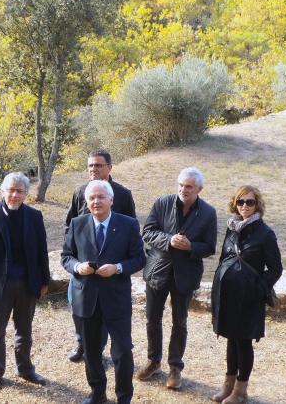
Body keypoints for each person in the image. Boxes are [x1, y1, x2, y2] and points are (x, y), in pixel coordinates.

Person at [61, 180, 145, 404]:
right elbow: (66, 257)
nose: (96, 201)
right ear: (87, 202)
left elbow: (139, 258)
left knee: (123, 351)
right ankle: (97, 393)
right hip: (86, 298)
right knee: (91, 352)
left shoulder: (127, 224)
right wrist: (78, 267)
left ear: (111, 200)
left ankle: (123, 397)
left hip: (116, 299)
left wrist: (118, 268)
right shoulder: (78, 224)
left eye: (100, 197)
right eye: (92, 198)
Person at [137, 167, 217, 390]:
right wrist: (169, 240)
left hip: (186, 274)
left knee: (179, 322)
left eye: (189, 186)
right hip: (158, 270)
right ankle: (153, 361)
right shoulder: (162, 202)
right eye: (180, 185)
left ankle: (175, 368)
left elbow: (210, 247)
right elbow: (148, 232)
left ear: (199, 189)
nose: (183, 189)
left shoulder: (209, 213)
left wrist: (191, 246)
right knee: (152, 319)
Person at [0, 172, 51, 392]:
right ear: (3, 191)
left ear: (26, 194)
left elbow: (42, 251)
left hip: (27, 283)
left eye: (20, 191)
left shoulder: (34, 217)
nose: (15, 195)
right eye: (11, 190)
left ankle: (25, 368)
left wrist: (45, 280)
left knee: (25, 330)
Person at [210, 185, 283, 404]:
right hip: (228, 295)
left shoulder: (265, 233)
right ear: (235, 203)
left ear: (257, 204)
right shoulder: (232, 228)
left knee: (243, 341)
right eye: (241, 202)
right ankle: (229, 386)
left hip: (249, 298)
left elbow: (276, 269)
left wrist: (258, 288)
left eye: (250, 202)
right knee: (231, 339)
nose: (245, 206)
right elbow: (225, 257)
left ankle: (241, 391)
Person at [65, 149, 136, 362]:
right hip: (83, 266)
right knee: (78, 305)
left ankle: (102, 349)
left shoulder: (122, 194)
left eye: (98, 165)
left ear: (109, 168)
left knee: (107, 311)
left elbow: (131, 229)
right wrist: (75, 260)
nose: (93, 169)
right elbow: (69, 223)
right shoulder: (80, 192)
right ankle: (82, 343)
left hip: (111, 269)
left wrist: (119, 265)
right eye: (90, 166)